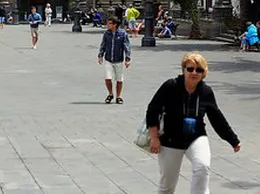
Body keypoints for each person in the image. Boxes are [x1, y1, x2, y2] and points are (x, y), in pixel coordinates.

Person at [146, 52, 241, 193]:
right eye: (190, 69)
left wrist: (233, 140)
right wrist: (154, 138)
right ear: (183, 70)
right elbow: (152, 111)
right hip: (171, 139)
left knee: (202, 167)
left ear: (204, 72)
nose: (194, 73)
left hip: (196, 136)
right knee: (167, 185)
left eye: (199, 70)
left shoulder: (206, 92)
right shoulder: (170, 86)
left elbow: (216, 117)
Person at [98, 16, 131, 104]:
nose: (107, 25)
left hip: (118, 59)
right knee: (107, 78)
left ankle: (118, 96)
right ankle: (110, 94)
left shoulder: (122, 34)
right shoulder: (106, 34)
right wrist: (100, 55)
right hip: (108, 59)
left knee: (119, 79)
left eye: (109, 23)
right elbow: (103, 45)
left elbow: (127, 46)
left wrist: (127, 59)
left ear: (115, 25)